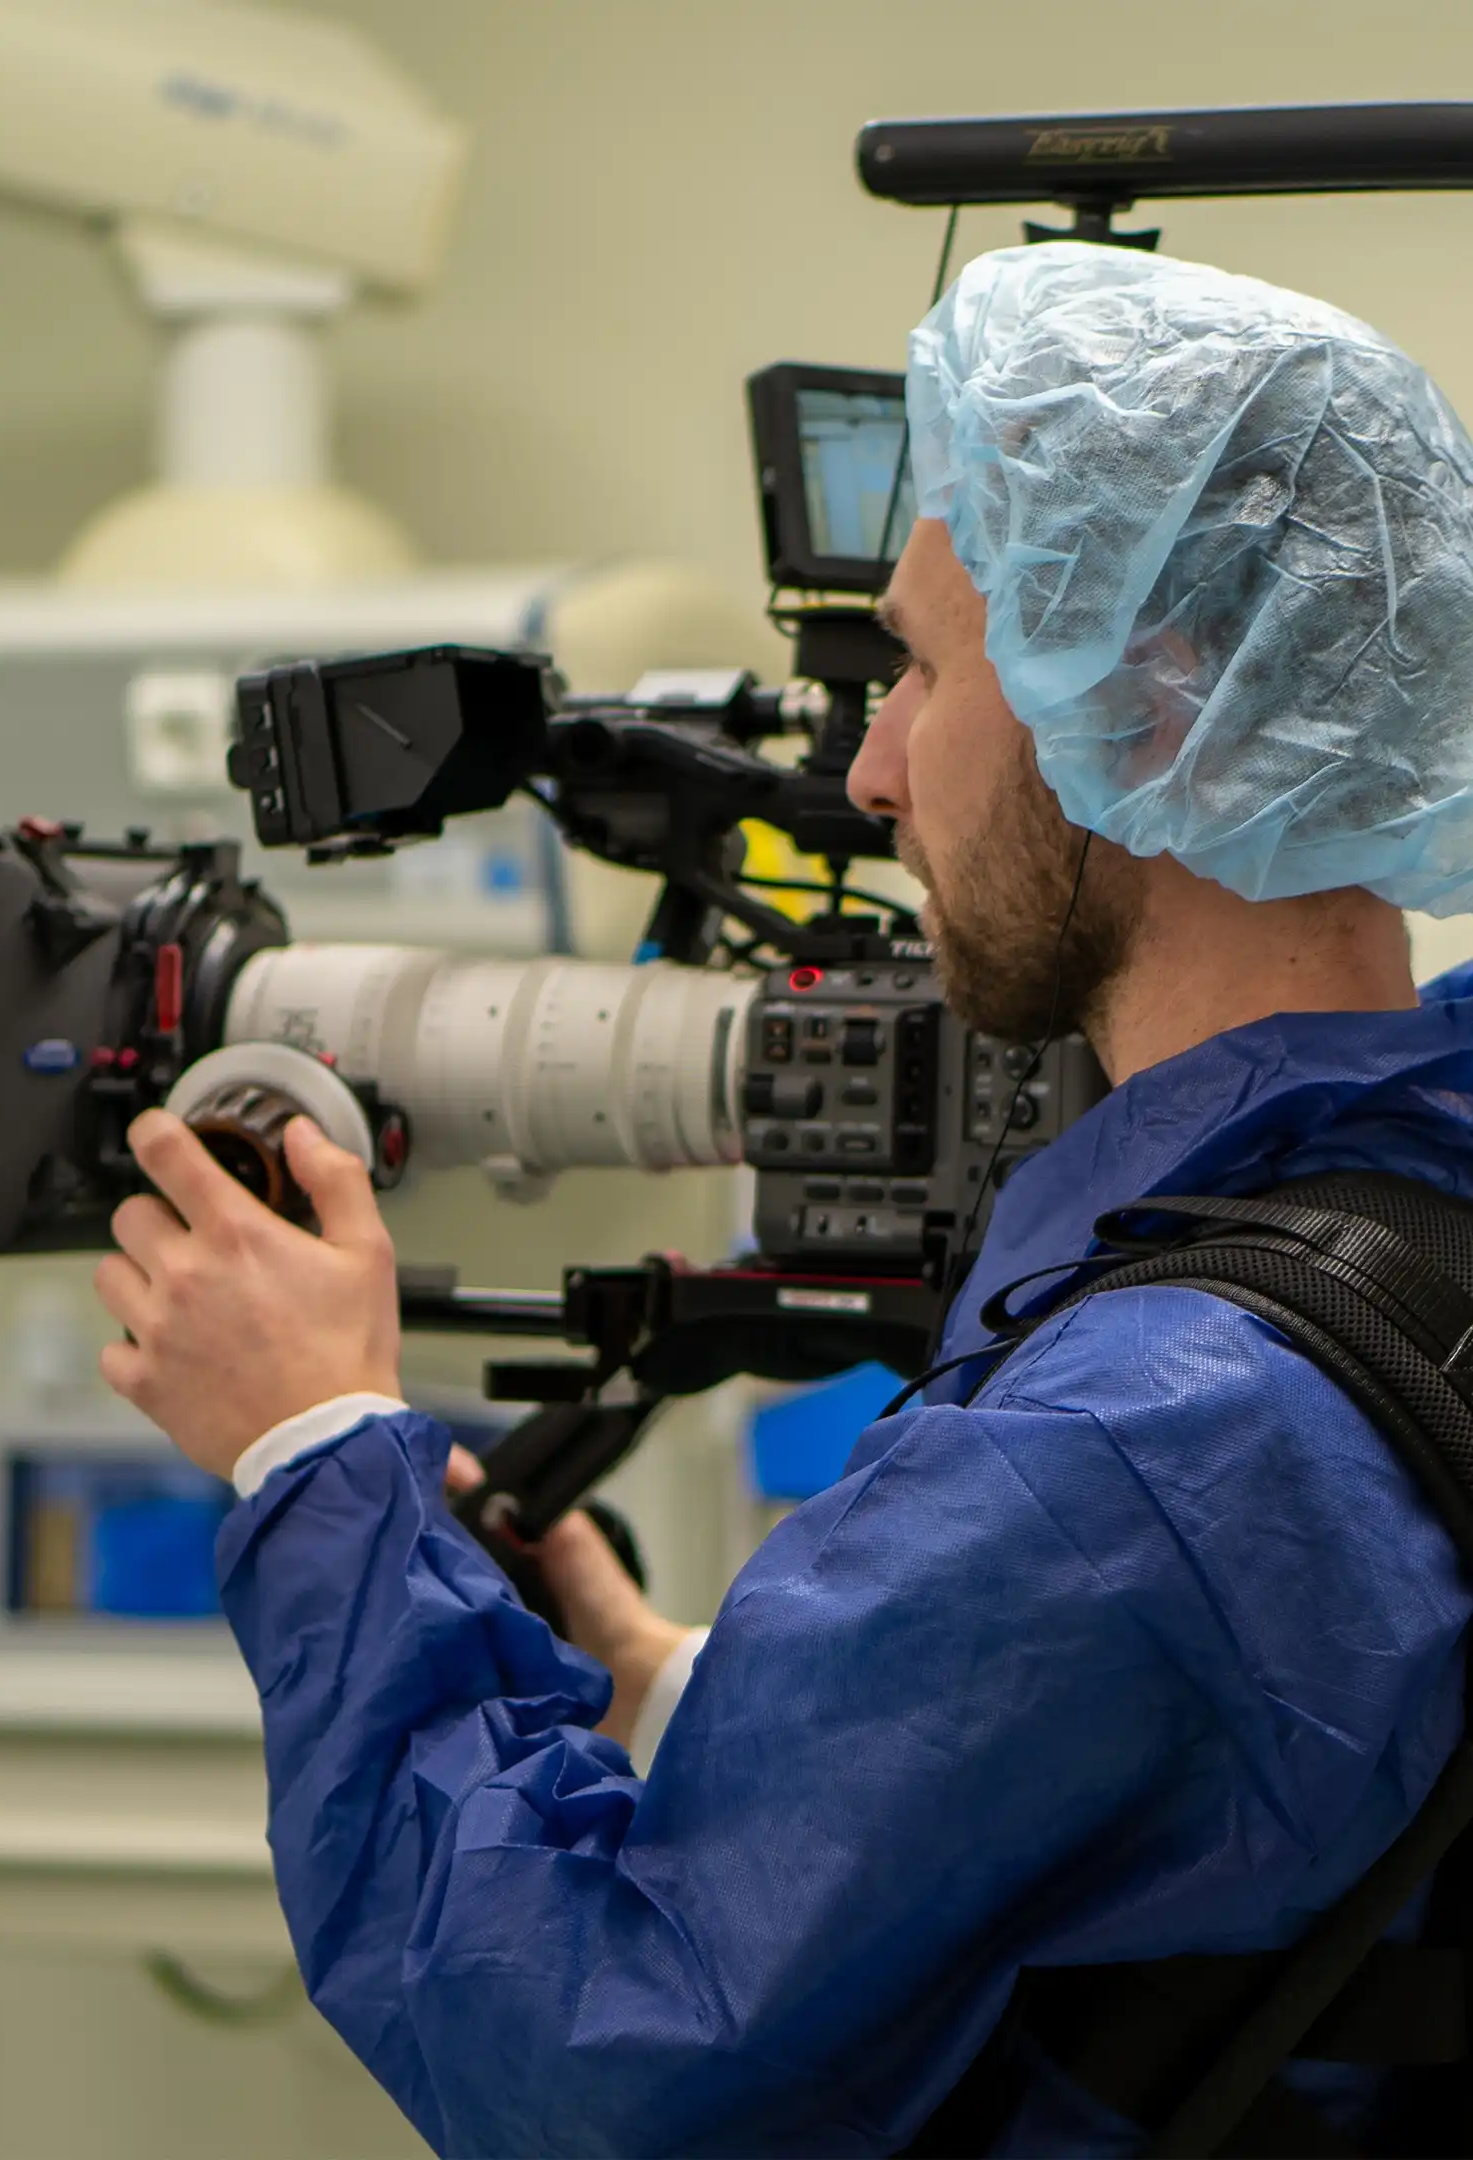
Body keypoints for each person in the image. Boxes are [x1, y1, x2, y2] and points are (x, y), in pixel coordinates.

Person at [94, 243, 1473, 2157]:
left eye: (916, 668)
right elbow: (1219, 1826)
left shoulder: (1125, 1454)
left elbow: (590, 2078)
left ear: (1152, 707)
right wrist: (701, 1702)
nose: (870, 767)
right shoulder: (1407, 1214)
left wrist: (313, 1456)